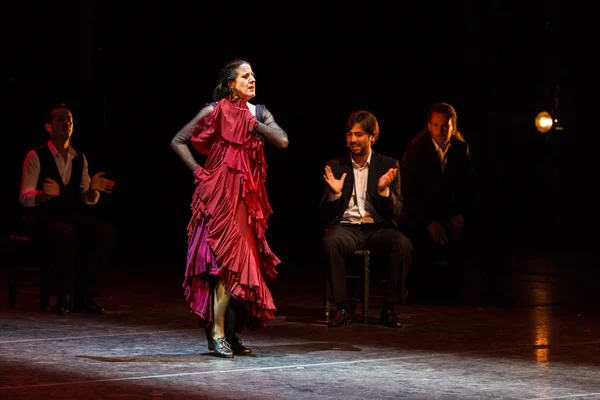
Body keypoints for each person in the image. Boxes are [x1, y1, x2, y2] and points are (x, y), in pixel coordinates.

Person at [171, 59, 289, 358]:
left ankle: (230, 333)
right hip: (220, 195)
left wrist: (253, 123)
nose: (252, 80)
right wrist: (198, 172)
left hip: (247, 200)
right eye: (245, 76)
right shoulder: (215, 110)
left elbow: (282, 140)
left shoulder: (259, 112)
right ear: (231, 83)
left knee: (240, 263)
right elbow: (178, 140)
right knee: (225, 263)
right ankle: (217, 333)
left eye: (253, 75)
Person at [19, 103, 117, 315]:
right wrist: (45, 195)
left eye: (69, 119)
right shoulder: (36, 156)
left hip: (70, 220)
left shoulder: (79, 158)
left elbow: (87, 198)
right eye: (61, 119)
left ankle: (85, 296)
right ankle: (65, 295)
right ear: (48, 127)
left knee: (104, 232)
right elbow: (24, 197)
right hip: (42, 222)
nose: (67, 123)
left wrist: (92, 189)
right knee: (65, 233)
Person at [320, 110, 412, 328]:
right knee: (330, 241)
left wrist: (383, 192)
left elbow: (397, 209)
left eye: (359, 134)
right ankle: (342, 307)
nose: (353, 139)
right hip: (347, 228)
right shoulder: (336, 165)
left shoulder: (388, 164)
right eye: (350, 134)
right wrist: (334, 194)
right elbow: (323, 211)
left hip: (377, 228)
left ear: (372, 136)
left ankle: (389, 308)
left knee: (403, 244)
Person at [399, 102, 476, 305]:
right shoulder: (417, 149)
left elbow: (468, 186)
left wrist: (461, 214)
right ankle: (417, 289)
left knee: (465, 233)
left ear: (453, 126)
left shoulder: (461, 148)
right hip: (422, 213)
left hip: (449, 211)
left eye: (445, 125)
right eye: (436, 125)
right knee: (418, 239)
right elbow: (409, 192)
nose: (441, 130)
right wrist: (429, 221)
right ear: (429, 125)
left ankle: (453, 290)